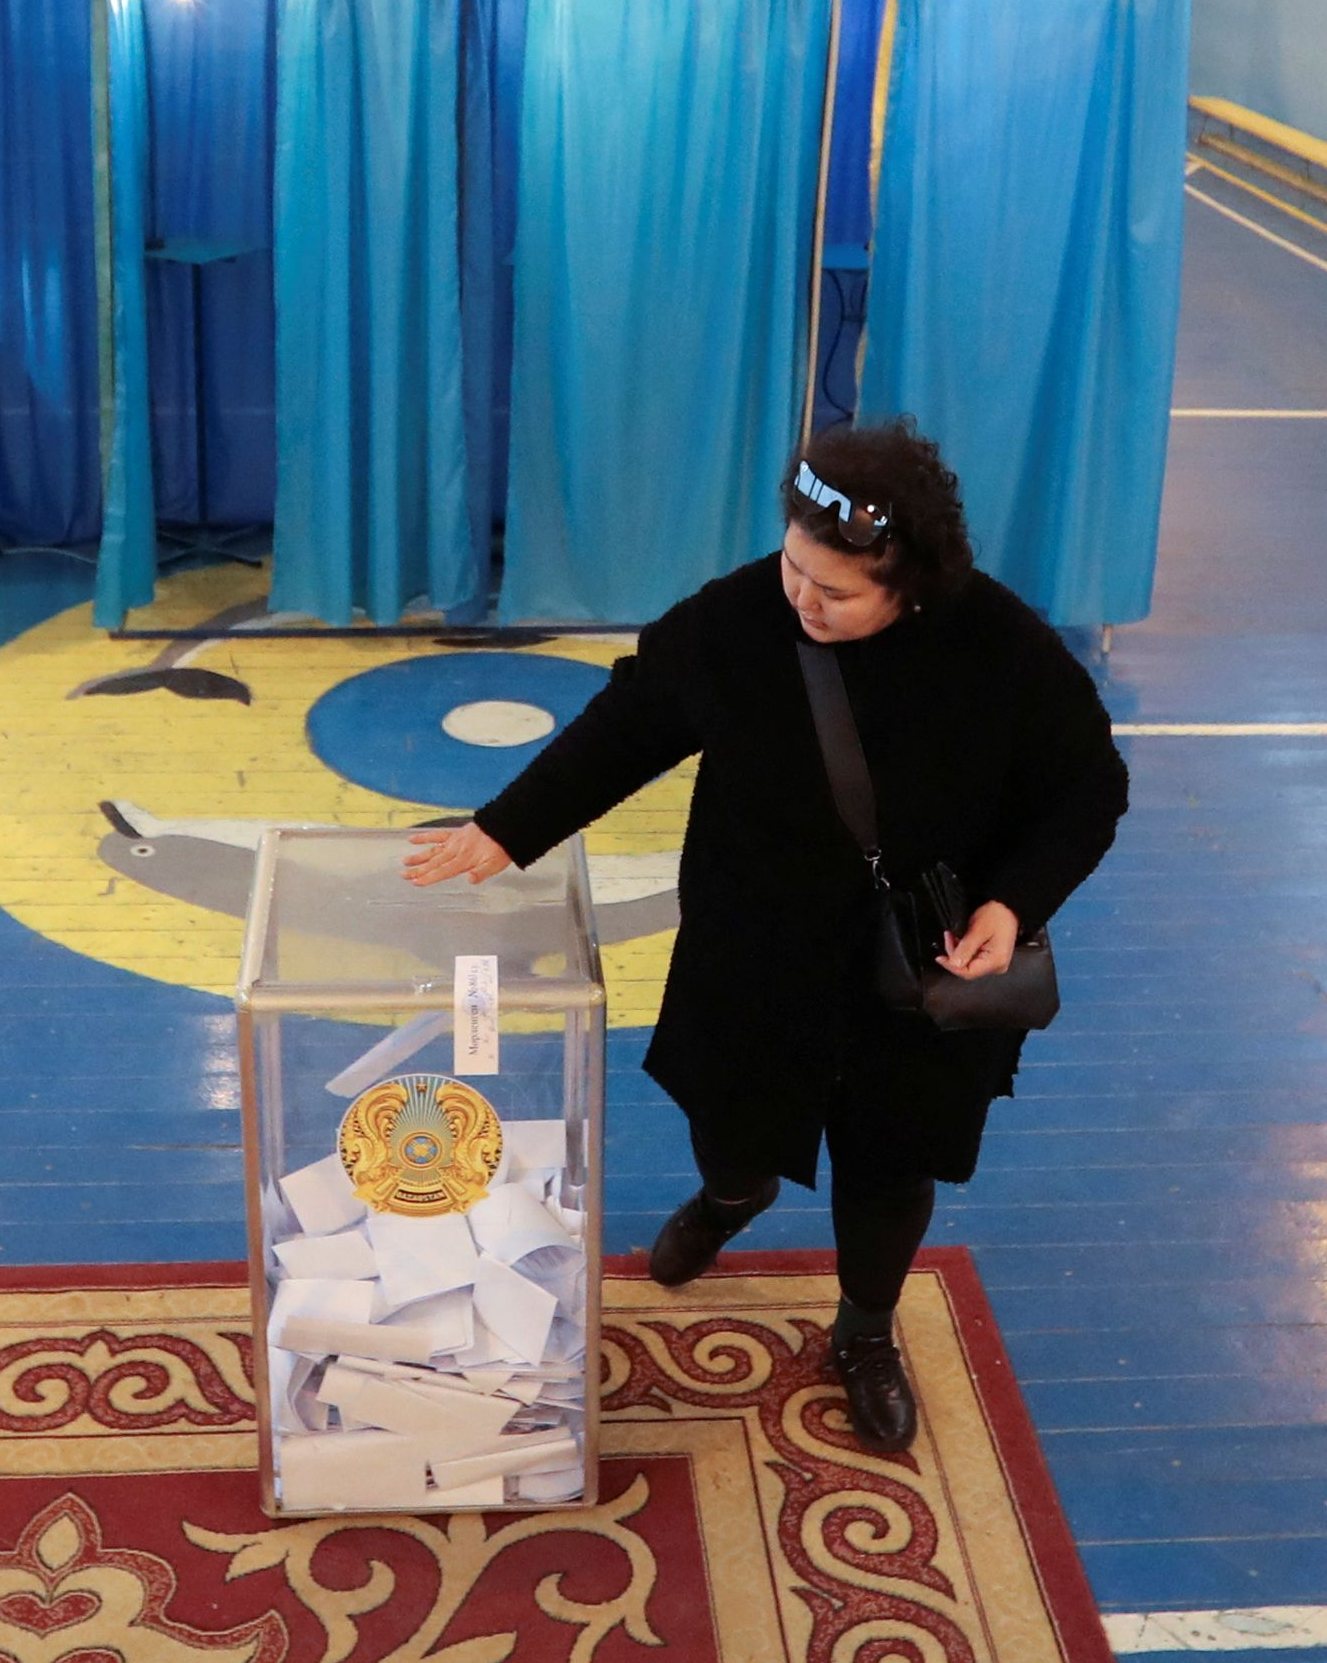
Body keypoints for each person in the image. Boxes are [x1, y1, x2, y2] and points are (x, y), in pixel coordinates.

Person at [404, 420, 1128, 1450]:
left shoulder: (998, 647)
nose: (802, 599)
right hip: (754, 952)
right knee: (728, 1120)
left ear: (909, 586)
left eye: (834, 591)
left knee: (889, 1165)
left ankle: (864, 1331)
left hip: (918, 971)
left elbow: (1088, 787)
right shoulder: (737, 623)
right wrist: (502, 829)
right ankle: (729, 1193)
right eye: (794, 567)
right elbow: (628, 725)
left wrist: (1012, 903)